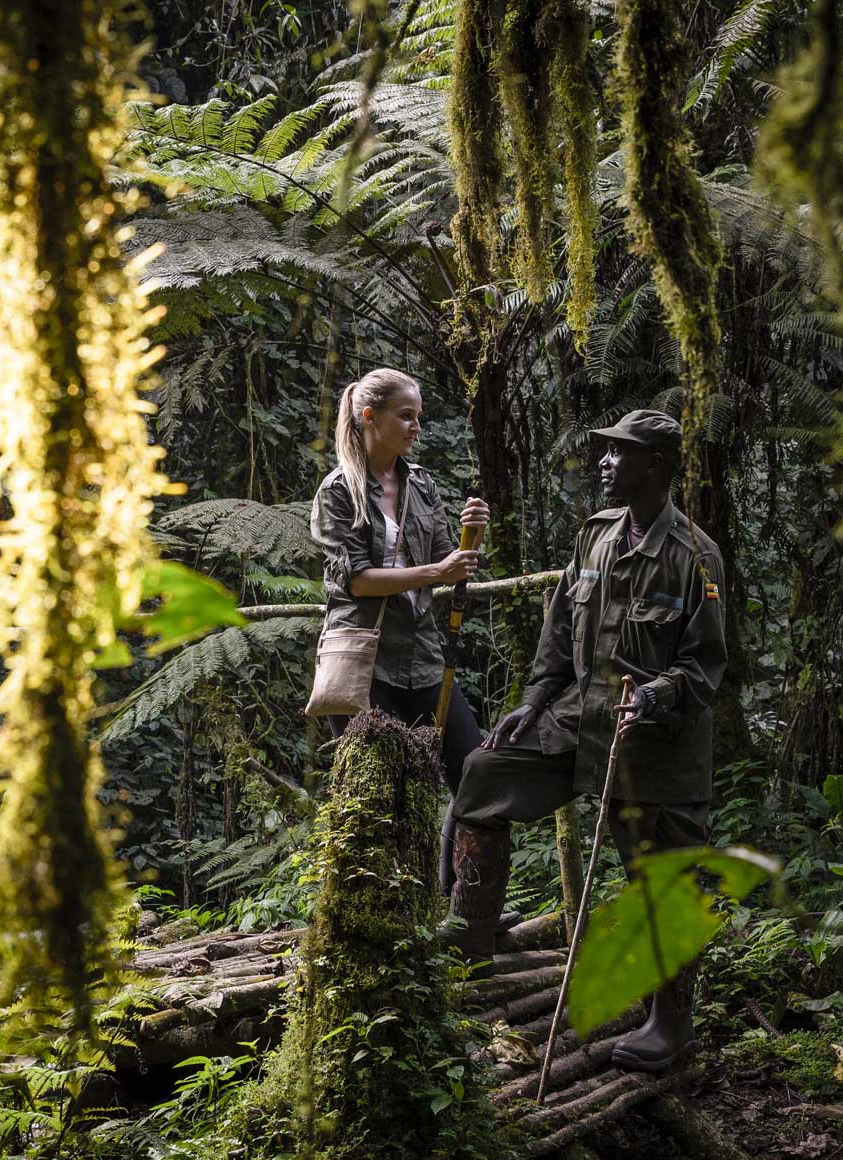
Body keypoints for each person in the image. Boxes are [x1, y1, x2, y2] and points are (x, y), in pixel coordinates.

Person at [443, 409, 728, 1073]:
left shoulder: (694, 555)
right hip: (578, 717)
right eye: (603, 452)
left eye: (618, 454)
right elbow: (560, 627)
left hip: (652, 744)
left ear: (653, 465)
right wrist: (535, 699)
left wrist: (656, 694)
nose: (603, 462)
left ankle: (671, 1022)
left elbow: (705, 665)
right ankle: (468, 954)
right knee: (484, 773)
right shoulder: (595, 537)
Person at [310, 366, 489, 804]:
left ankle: (455, 876)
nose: (416, 428)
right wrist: (435, 573)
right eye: (406, 416)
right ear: (370, 416)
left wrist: (473, 534)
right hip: (362, 662)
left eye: (419, 417)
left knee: (475, 780)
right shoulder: (338, 492)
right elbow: (355, 581)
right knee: (377, 801)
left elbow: (450, 560)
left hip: (422, 653)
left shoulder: (421, 484)